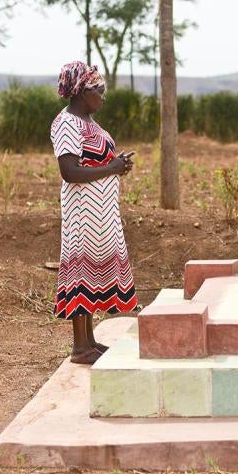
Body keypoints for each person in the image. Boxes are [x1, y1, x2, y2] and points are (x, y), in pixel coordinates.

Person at [50, 61, 137, 364]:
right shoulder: (66, 124)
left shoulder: (88, 121)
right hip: (83, 214)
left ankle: (89, 342)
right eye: (99, 90)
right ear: (82, 92)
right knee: (81, 272)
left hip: (102, 214)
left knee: (91, 274)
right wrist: (111, 168)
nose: (103, 96)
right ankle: (79, 347)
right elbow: (69, 171)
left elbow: (94, 162)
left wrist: (118, 165)